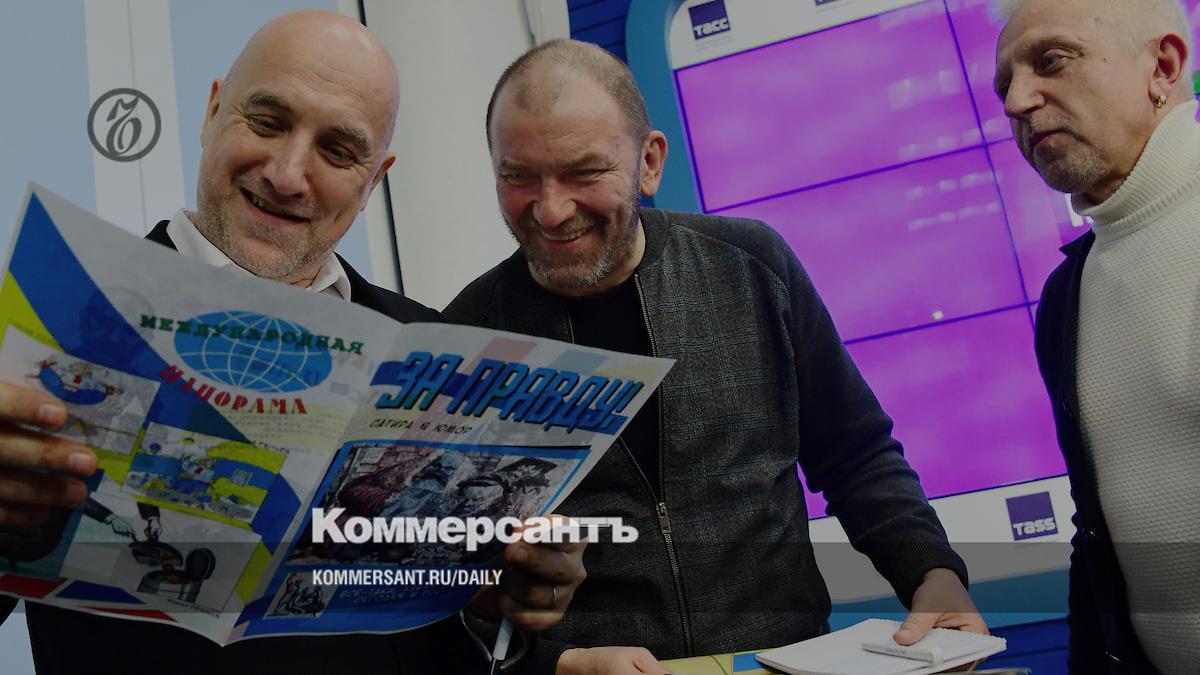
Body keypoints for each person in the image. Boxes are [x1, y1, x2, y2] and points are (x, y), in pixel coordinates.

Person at [0, 11, 584, 674]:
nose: (286, 173)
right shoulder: (53, 327)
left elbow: (448, 640)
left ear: (374, 179)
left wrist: (494, 605)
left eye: (338, 150)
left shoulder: (440, 350)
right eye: (267, 121)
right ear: (212, 112)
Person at [444, 39, 987, 675]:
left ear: (649, 162)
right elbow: (447, 581)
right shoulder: (464, 339)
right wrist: (557, 664)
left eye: (584, 173)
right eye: (518, 177)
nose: (551, 209)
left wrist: (932, 570)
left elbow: (856, 454)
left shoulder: (753, 268)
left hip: (783, 664)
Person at [994, 0, 1199, 672]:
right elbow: (1097, 538)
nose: (1017, 102)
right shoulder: (1068, 296)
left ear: (1162, 66)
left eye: (1052, 61)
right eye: (1006, 85)